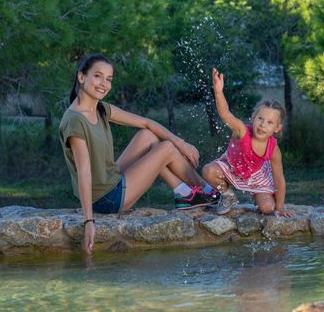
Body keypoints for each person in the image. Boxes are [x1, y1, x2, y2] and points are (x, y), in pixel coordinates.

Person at [59, 54, 219, 254]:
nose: (104, 84)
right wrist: (89, 220)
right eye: (98, 76)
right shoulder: (75, 121)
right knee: (166, 149)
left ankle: (188, 193)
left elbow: (147, 123)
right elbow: (83, 172)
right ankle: (209, 194)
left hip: (110, 179)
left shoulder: (100, 109)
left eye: (109, 79)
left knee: (147, 136)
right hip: (105, 198)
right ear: (81, 77)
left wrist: (182, 143)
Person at [202, 68, 294, 217]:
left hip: (257, 176)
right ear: (253, 118)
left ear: (277, 128)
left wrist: (280, 207)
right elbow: (226, 114)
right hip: (231, 168)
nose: (263, 125)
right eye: (260, 119)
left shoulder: (273, 148)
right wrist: (218, 92)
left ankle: (258, 196)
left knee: (267, 209)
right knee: (208, 171)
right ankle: (227, 195)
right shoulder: (242, 131)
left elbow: (279, 178)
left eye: (270, 122)